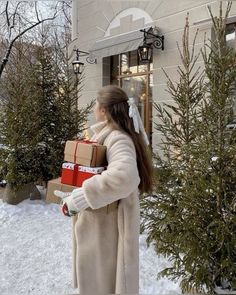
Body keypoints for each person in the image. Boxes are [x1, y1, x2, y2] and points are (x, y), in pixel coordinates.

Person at [54, 85, 153, 294]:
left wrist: (80, 198)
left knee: (102, 285)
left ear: (104, 110)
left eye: (95, 105)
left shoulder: (117, 138)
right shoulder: (109, 135)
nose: (93, 110)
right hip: (100, 226)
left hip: (107, 230)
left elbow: (125, 176)